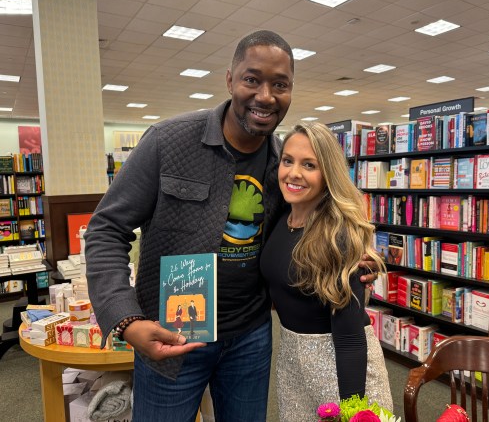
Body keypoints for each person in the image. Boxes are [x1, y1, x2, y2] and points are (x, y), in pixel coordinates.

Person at [85, 30, 377, 422]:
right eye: (252, 79)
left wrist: (355, 257)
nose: (265, 96)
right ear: (229, 80)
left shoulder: (283, 164)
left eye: (280, 84)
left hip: (250, 339)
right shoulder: (168, 141)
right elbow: (106, 229)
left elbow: (313, 223)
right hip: (171, 337)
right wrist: (126, 319)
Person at [260, 122, 393, 421]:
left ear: (328, 173)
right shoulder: (282, 216)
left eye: (309, 165)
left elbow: (350, 338)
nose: (294, 173)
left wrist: (353, 409)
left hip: (340, 367)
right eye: (287, 161)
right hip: (293, 362)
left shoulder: (337, 236)